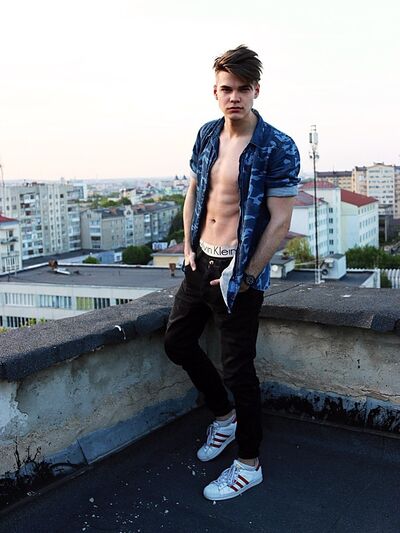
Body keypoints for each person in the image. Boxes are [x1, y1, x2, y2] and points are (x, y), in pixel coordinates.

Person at [164, 45, 300, 501]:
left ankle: (249, 464)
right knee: (177, 343)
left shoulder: (277, 146)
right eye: (227, 88)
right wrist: (188, 243)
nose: (234, 96)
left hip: (239, 272)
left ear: (256, 90)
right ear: (215, 92)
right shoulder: (207, 134)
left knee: (239, 371)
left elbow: (279, 222)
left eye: (243, 88)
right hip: (199, 261)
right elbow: (194, 191)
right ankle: (223, 418)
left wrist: (244, 276)